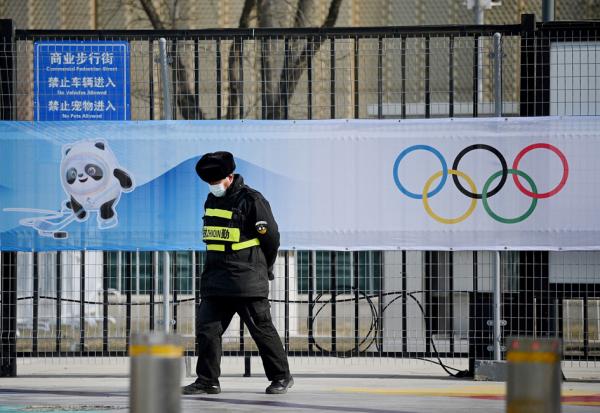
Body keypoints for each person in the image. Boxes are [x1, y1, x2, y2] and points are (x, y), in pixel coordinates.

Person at [182, 151, 293, 395]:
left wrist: (264, 268)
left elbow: (271, 239)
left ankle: (281, 377)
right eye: (209, 183)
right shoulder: (212, 200)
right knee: (207, 330)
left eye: (216, 181)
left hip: (247, 280)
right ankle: (207, 381)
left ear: (230, 177)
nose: (213, 186)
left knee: (261, 331)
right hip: (216, 280)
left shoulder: (252, 200)